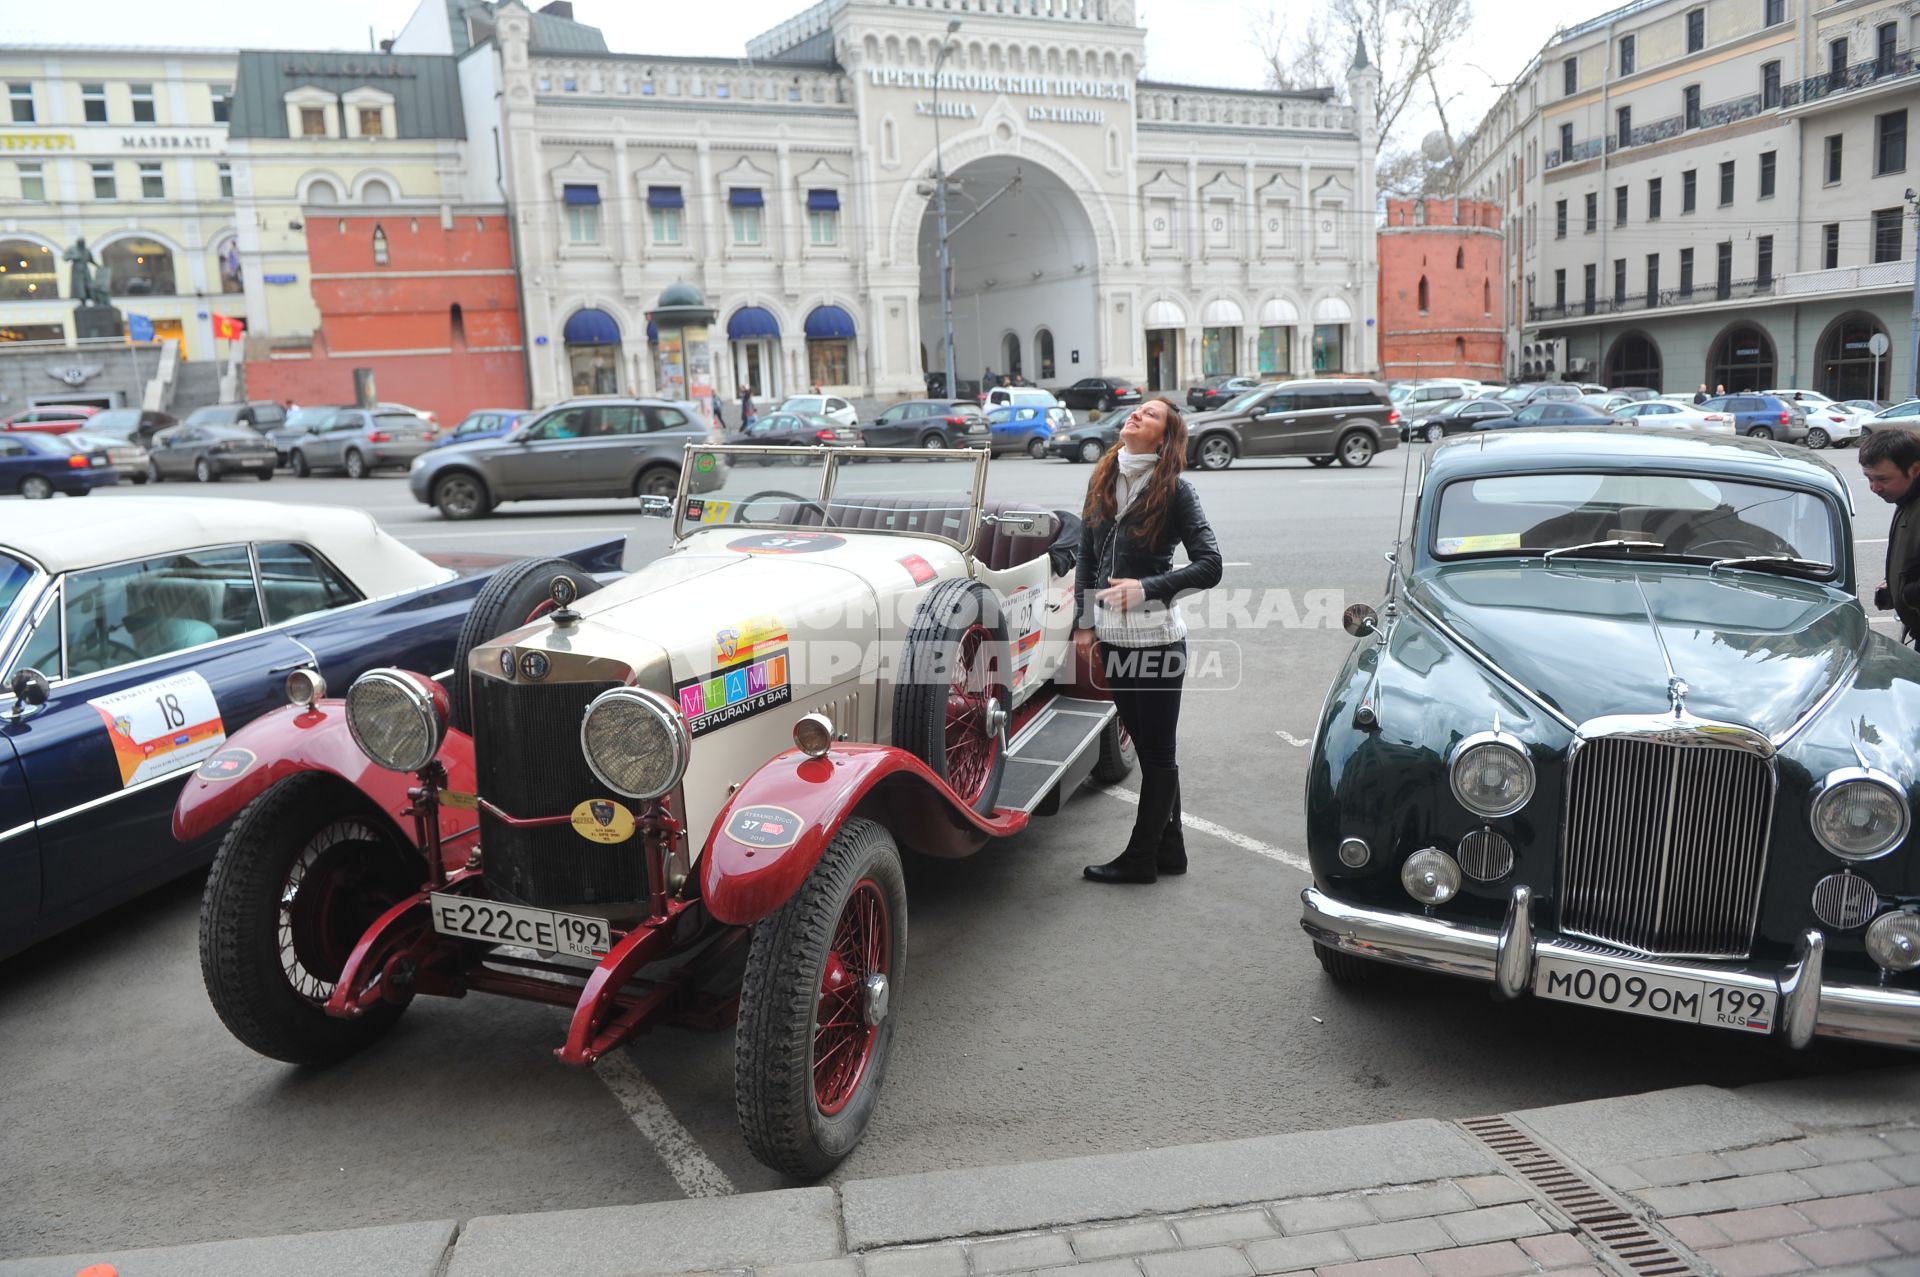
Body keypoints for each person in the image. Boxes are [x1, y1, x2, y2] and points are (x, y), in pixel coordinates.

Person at [1073, 397, 1223, 884]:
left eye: (1150, 414)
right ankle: (1171, 848)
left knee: (1157, 755)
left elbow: (1210, 565)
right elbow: (1086, 557)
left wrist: (1146, 588)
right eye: (1136, 409)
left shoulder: (1176, 490)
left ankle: (1140, 858)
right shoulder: (1104, 475)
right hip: (1114, 639)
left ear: (1164, 437)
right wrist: (1084, 625)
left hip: (1158, 639)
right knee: (1146, 743)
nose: (1137, 414)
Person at [1862, 429, 1920, 649]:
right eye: (1869, 478)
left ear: (1915, 469)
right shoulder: (1907, 497)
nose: (1874, 488)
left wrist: (1905, 595)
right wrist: (1895, 584)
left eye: (1882, 479)